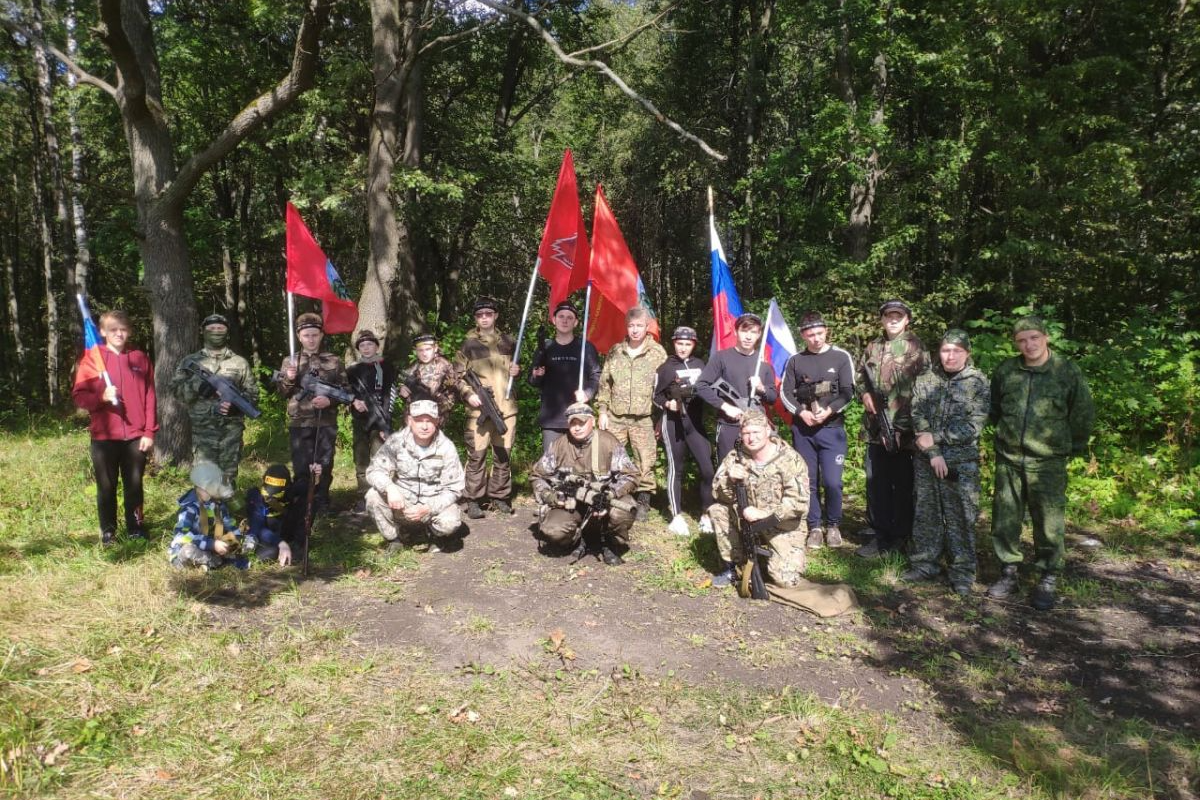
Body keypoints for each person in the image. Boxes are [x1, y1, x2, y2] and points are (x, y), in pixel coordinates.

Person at [986, 317, 1094, 610]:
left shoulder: (1065, 371)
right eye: (1021, 340)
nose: (1028, 345)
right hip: (1009, 458)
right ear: (1015, 343)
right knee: (1005, 519)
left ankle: (1048, 574)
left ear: (1046, 338)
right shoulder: (1007, 370)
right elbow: (994, 407)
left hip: (1048, 460)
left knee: (1048, 522)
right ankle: (1008, 571)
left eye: (1034, 338)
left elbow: (1082, 413)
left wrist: (1069, 448)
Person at [897, 330, 990, 595]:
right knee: (927, 513)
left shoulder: (978, 382)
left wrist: (935, 439)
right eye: (946, 350)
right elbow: (918, 415)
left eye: (956, 351)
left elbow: (973, 426)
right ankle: (925, 563)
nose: (950, 356)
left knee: (961, 515)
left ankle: (962, 571)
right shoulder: (927, 378)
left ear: (967, 353)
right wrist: (934, 452)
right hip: (928, 459)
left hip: (961, 462)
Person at [71, 309, 157, 545]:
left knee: (135, 486)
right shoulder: (93, 360)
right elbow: (79, 396)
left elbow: (150, 396)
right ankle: (108, 532)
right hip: (104, 437)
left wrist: (149, 431)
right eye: (113, 330)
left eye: (123, 329)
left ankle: (136, 528)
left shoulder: (140, 358)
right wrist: (102, 396)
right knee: (106, 487)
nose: (119, 334)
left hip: (135, 436)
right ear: (102, 332)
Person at [855, 299, 928, 558]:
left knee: (903, 485)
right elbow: (860, 376)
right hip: (876, 430)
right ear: (882, 320)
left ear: (907, 319)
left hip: (905, 432)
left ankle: (900, 536)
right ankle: (880, 534)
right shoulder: (873, 347)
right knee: (877, 484)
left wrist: (904, 426)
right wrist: (864, 394)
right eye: (888, 316)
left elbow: (925, 389)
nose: (893, 320)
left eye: (898, 316)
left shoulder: (917, 349)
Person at [780, 311, 855, 550]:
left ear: (826, 332)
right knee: (808, 480)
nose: (816, 339)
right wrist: (801, 413)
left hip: (832, 430)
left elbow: (848, 392)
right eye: (810, 334)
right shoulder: (795, 360)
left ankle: (833, 525)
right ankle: (814, 526)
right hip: (804, 431)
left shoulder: (841, 357)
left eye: (820, 333)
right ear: (803, 335)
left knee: (832, 481)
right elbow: (785, 393)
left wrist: (830, 410)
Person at [709, 410, 809, 588]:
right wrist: (728, 479)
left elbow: (799, 502)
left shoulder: (790, 459)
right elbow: (718, 494)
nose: (751, 438)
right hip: (746, 523)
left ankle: (772, 559)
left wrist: (764, 513)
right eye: (746, 433)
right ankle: (733, 566)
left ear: (768, 431)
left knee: (785, 581)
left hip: (782, 526)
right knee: (718, 510)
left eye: (756, 432)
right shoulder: (735, 457)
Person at [530, 403, 638, 565]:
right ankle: (578, 540)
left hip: (604, 501)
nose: (577, 428)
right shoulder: (559, 445)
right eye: (573, 423)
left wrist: (611, 494)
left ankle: (610, 543)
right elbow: (537, 475)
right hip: (572, 505)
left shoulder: (608, 442)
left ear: (592, 422)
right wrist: (549, 496)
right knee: (552, 530)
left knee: (622, 511)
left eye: (582, 423)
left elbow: (631, 476)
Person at [365, 399, 466, 552]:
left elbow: (455, 489)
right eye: (419, 420)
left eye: (430, 421)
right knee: (373, 496)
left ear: (437, 421)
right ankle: (395, 538)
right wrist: (390, 488)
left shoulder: (446, 447)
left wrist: (428, 508)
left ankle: (434, 535)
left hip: (431, 505)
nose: (424, 426)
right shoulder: (396, 442)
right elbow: (374, 471)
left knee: (450, 522)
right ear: (409, 420)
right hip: (402, 504)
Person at [596, 306, 667, 520]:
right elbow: (605, 384)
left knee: (645, 460)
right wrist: (602, 411)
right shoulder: (616, 351)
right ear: (626, 328)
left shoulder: (657, 353)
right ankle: (611, 497)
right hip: (615, 417)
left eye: (639, 326)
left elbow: (664, 389)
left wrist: (660, 418)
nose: (635, 330)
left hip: (643, 418)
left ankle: (643, 501)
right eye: (631, 326)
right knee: (610, 458)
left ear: (647, 327)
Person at [170, 313, 258, 488]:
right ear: (203, 331)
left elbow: (253, 394)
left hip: (231, 431)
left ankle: (224, 513)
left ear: (227, 332)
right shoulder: (191, 362)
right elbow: (176, 392)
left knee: (228, 476)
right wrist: (197, 387)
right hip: (203, 431)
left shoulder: (239, 363)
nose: (216, 331)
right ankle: (206, 514)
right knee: (204, 477)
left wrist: (236, 408)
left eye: (220, 328)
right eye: (211, 328)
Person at [275, 313, 350, 514]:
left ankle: (322, 501)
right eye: (306, 335)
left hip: (325, 421)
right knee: (301, 465)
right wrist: (289, 379)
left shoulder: (333, 360)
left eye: (315, 335)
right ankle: (302, 502)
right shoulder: (290, 361)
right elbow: (282, 392)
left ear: (321, 335)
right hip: (299, 422)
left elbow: (346, 391)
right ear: (299, 336)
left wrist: (330, 400)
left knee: (325, 463)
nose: (311, 339)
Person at [455, 297, 520, 519]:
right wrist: (468, 394)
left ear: (496, 316)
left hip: (507, 408)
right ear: (476, 318)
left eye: (488, 314)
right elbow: (456, 377)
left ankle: (499, 496)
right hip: (478, 411)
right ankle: (473, 498)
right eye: (480, 315)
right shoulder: (468, 344)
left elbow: (515, 369)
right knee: (477, 455)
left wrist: (515, 371)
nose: (484, 318)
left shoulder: (510, 342)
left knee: (503, 455)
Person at [653, 326, 715, 537]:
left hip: (695, 424)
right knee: (675, 469)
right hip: (673, 424)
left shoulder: (700, 365)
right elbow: (655, 396)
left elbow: (709, 389)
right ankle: (676, 516)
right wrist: (667, 404)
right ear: (674, 343)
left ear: (694, 345)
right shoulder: (665, 367)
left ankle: (707, 514)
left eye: (688, 344)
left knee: (708, 470)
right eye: (680, 343)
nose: (683, 348)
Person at [696, 312, 779, 462]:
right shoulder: (721, 358)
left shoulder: (764, 363)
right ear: (735, 331)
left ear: (759, 334)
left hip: (757, 429)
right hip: (729, 425)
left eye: (753, 332)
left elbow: (773, 398)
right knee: (728, 472)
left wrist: (761, 387)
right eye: (744, 331)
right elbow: (701, 386)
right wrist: (725, 407)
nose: (748, 337)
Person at [527, 301, 601, 453]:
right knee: (551, 465)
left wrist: (588, 393)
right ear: (554, 320)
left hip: (579, 416)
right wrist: (536, 375)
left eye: (569, 317)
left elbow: (596, 375)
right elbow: (532, 381)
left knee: (579, 466)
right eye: (561, 316)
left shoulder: (585, 348)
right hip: (552, 419)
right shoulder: (545, 348)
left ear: (576, 322)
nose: (565, 320)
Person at [347, 329, 397, 512]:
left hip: (380, 420)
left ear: (376, 346)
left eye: (370, 344)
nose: (366, 348)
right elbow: (345, 390)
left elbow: (391, 393)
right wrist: (353, 401)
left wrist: (386, 421)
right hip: (360, 420)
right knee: (361, 458)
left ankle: (381, 494)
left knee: (379, 459)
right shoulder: (352, 369)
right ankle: (363, 495)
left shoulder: (386, 366)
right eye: (362, 345)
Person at [168, 461, 244, 570]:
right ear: (199, 487)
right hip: (191, 545)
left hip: (210, 542)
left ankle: (209, 562)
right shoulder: (190, 508)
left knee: (231, 543)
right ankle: (211, 561)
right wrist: (211, 544)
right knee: (189, 551)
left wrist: (238, 535)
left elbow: (229, 523)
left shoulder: (217, 504)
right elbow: (180, 534)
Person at [244, 464, 303, 566]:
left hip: (286, 533)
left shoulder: (292, 493)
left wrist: (317, 478)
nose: (270, 497)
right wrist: (280, 542)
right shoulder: (257, 497)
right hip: (267, 537)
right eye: (267, 492)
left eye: (276, 494)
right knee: (269, 553)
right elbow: (258, 527)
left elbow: (310, 488)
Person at [399, 333, 459, 420]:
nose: (424, 354)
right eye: (420, 350)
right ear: (416, 351)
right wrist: (402, 389)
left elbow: (435, 391)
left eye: (428, 349)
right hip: (414, 414)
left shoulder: (443, 365)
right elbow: (403, 384)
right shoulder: (414, 366)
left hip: (435, 415)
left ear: (435, 348)